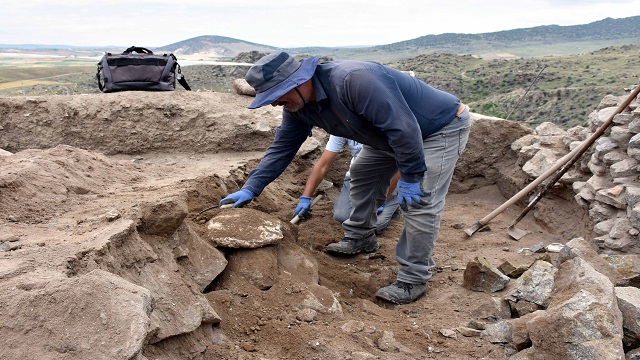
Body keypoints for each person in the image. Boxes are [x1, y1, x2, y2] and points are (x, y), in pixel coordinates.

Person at [219, 51, 470, 304]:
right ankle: (362, 236)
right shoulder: (297, 106)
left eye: (276, 96)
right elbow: (283, 147)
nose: (273, 103)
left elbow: (404, 129)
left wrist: (411, 175)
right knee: (362, 174)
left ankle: (413, 278)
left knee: (419, 202)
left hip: (437, 129)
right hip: (386, 135)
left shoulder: (354, 81)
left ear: (298, 82)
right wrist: (252, 187)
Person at [292, 134, 400, 235]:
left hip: (387, 179)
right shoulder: (342, 125)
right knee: (341, 217)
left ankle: (393, 200)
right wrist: (305, 197)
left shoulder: (384, 125)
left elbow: (398, 165)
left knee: (374, 226)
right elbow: (322, 165)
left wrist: (383, 199)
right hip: (357, 178)